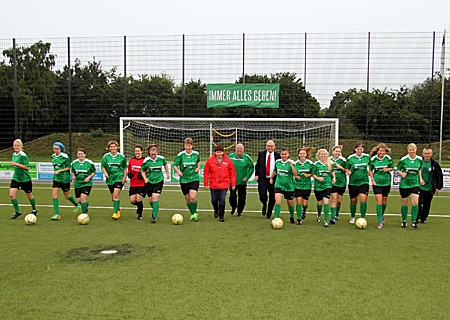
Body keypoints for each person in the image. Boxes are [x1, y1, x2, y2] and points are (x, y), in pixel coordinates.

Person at [203, 145, 236, 222]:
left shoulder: (228, 161)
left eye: (220, 152)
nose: (219, 154)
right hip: (213, 185)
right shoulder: (210, 161)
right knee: (214, 200)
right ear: (215, 152)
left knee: (222, 200)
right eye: (217, 152)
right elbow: (206, 172)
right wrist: (206, 183)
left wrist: (233, 184)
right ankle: (216, 210)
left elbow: (232, 173)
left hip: (224, 185)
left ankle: (221, 216)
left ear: (223, 152)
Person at [173, 138, 201, 222]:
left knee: (193, 197)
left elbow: (198, 161)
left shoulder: (196, 154)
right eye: (186, 146)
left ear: (192, 146)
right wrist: (178, 171)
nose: (188, 147)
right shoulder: (181, 155)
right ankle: (192, 213)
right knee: (188, 198)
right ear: (184, 145)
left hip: (194, 178)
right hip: (184, 180)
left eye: (189, 146)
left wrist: (198, 168)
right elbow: (174, 165)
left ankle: (195, 213)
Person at [141, 144, 170, 223]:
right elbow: (142, 170)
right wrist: (145, 178)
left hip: (159, 181)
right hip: (149, 182)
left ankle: (154, 217)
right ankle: (155, 209)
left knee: (155, 197)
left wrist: (167, 173)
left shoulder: (161, 158)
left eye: (155, 154)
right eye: (152, 154)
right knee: (150, 200)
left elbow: (165, 164)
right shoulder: (146, 160)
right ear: (149, 153)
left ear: (157, 152)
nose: (153, 156)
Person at [9, 139, 38, 219]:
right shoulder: (14, 154)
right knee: (11, 195)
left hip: (25, 179)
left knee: (29, 195)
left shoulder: (23, 155)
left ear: (21, 146)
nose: (16, 147)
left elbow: (27, 167)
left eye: (18, 146)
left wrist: (17, 164)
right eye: (15, 145)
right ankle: (18, 211)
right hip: (16, 178)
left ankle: (34, 209)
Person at [51, 142, 80, 220]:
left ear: (61, 149)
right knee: (54, 195)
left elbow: (68, 167)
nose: (56, 150)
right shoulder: (53, 156)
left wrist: (60, 171)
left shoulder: (64, 157)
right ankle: (57, 214)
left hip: (65, 179)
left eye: (57, 149)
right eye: (54, 149)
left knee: (66, 196)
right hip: (56, 179)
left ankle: (76, 204)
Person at [397, 143, 423, 228]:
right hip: (405, 184)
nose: (411, 151)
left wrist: (421, 179)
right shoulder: (404, 159)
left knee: (415, 202)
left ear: (416, 149)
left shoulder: (419, 159)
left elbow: (419, 169)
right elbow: (397, 169)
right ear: (408, 150)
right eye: (410, 150)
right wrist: (402, 174)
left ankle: (414, 221)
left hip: (415, 183)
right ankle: (404, 221)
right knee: (405, 203)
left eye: (413, 149)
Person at [369, 143, 394, 229]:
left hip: (386, 182)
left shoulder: (388, 159)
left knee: (384, 201)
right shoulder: (373, 159)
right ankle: (380, 222)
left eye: (384, 151)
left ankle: (382, 215)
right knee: (379, 201)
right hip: (377, 183)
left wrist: (388, 169)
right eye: (381, 151)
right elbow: (370, 170)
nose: (382, 152)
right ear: (378, 151)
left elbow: (392, 167)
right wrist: (372, 180)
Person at [345, 142, 371, 224]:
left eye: (361, 149)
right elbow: (346, 168)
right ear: (355, 149)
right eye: (358, 149)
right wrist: (348, 171)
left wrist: (370, 171)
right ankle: (352, 217)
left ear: (363, 149)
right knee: (353, 200)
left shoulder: (367, 157)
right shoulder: (351, 158)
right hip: (353, 182)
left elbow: (371, 166)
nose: (359, 150)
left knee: (363, 199)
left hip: (364, 181)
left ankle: (363, 217)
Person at [101, 140, 127, 220]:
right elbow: (103, 166)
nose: (113, 148)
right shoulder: (106, 157)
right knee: (113, 197)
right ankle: (118, 208)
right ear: (109, 148)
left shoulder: (121, 157)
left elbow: (125, 167)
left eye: (114, 146)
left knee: (116, 195)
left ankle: (115, 213)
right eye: (111, 147)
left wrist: (124, 177)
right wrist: (105, 173)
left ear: (117, 147)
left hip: (119, 177)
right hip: (110, 179)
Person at [270, 147, 297, 223]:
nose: (284, 156)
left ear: (288, 155)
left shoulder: (291, 162)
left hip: (289, 187)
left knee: (290, 204)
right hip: (279, 185)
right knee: (278, 202)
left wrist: (291, 165)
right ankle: (276, 219)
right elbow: (275, 171)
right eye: (282, 154)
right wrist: (271, 178)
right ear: (280, 155)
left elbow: (295, 173)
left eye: (285, 154)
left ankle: (291, 217)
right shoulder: (277, 162)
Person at [255, 140, 281, 219]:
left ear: (274, 147)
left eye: (271, 146)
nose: (270, 147)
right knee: (262, 196)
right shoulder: (261, 154)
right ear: (266, 146)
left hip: (273, 179)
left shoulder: (278, 156)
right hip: (263, 178)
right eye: (268, 146)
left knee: (273, 197)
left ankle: (269, 212)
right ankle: (264, 204)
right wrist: (256, 174)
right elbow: (257, 165)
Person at [417, 147, 443, 223]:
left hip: (430, 188)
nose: (427, 155)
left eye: (428, 153)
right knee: (418, 202)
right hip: (419, 187)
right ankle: (417, 216)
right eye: (425, 153)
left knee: (426, 204)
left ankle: (423, 218)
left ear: (431, 154)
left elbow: (439, 175)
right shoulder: (419, 162)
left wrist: (438, 187)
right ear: (422, 154)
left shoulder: (435, 164)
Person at [228, 143, 254, 217]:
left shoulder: (247, 158)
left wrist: (246, 177)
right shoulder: (230, 157)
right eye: (237, 148)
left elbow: (251, 168)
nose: (239, 150)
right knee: (232, 197)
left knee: (242, 198)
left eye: (240, 148)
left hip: (242, 182)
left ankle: (239, 211)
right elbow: (226, 167)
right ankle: (233, 207)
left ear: (243, 150)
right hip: (232, 182)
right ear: (235, 149)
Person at [312, 149, 336, 227]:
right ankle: (319, 215)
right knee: (319, 202)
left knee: (326, 202)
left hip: (327, 185)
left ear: (327, 155)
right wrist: (318, 178)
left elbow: (332, 171)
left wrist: (334, 178)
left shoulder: (330, 163)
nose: (323, 155)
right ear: (319, 155)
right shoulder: (316, 164)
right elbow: (313, 174)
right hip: (318, 186)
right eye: (321, 154)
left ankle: (326, 220)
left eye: (324, 154)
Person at [71, 148, 96, 215]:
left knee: (83, 198)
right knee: (78, 200)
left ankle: (83, 214)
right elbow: (72, 171)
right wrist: (73, 176)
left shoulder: (89, 163)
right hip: (77, 183)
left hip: (87, 184)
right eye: (79, 154)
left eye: (81, 154)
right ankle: (86, 204)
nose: (80, 155)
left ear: (85, 154)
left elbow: (93, 172)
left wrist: (88, 177)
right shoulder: (74, 163)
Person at [293, 147, 314, 224]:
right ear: (298, 154)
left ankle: (304, 210)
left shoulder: (310, 163)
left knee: (304, 203)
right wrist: (296, 176)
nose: (302, 155)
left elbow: (314, 173)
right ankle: (299, 219)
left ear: (306, 154)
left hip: (307, 186)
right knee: (298, 202)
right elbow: (293, 173)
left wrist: (309, 175)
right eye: (300, 153)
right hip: (297, 185)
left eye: (303, 153)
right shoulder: (296, 163)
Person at [127, 145, 146, 220]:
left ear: (141, 151)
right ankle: (139, 206)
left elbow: (147, 170)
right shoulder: (131, 160)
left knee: (138, 199)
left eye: (138, 151)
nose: (137, 152)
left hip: (141, 183)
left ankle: (140, 214)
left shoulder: (145, 160)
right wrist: (129, 174)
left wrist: (143, 175)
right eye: (136, 151)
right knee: (132, 200)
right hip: (133, 183)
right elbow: (129, 170)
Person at [330, 145, 347, 221]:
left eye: (339, 151)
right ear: (333, 151)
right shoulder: (329, 160)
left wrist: (341, 167)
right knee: (334, 199)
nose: (337, 153)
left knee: (339, 201)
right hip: (333, 182)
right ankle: (333, 217)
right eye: (336, 151)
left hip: (341, 182)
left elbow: (347, 170)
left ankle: (337, 213)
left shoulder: (343, 160)